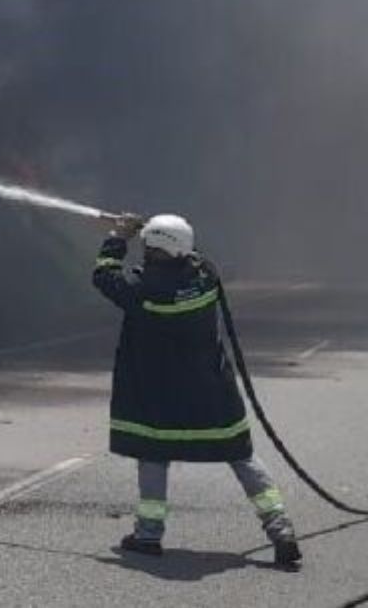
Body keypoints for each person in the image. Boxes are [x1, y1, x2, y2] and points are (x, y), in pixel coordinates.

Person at [93, 213, 301, 567]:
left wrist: (118, 236)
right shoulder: (206, 277)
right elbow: (194, 256)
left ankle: (148, 536)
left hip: (159, 394)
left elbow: (104, 275)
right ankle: (280, 529)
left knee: (153, 453)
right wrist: (159, 231)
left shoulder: (141, 289)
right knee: (241, 455)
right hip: (211, 392)